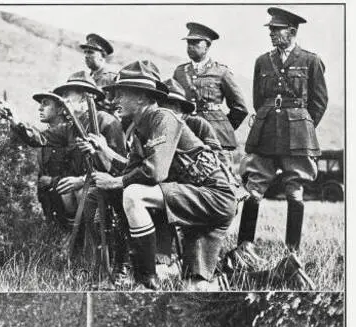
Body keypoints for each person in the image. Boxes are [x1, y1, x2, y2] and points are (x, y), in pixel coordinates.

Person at [89, 60, 238, 290]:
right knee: (194, 289)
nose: (114, 100)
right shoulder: (142, 128)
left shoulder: (163, 118)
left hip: (213, 198)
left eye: (121, 94)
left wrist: (116, 181)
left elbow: (155, 172)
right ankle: (282, 272)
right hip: (193, 202)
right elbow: (131, 171)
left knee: (134, 195)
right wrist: (104, 154)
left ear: (141, 97)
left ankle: (146, 281)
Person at [236, 7, 328, 256]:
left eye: (277, 30)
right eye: (271, 30)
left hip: (297, 135)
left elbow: (319, 103)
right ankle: (245, 247)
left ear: (292, 31)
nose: (272, 34)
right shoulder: (262, 61)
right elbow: (258, 100)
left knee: (295, 188)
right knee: (254, 186)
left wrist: (302, 127)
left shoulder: (311, 61)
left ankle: (292, 252)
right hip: (265, 131)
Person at [1, 90, 85, 228]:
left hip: (73, 205)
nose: (40, 108)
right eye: (40, 104)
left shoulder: (70, 132)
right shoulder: (48, 135)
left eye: (46, 104)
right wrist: (12, 120)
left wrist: (52, 181)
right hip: (53, 204)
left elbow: (77, 173)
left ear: (60, 109)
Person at [172, 22, 249, 164]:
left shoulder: (221, 72)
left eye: (195, 43)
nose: (190, 46)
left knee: (222, 177)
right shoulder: (180, 72)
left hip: (216, 138)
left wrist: (223, 127)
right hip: (187, 134)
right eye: (188, 43)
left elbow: (240, 107)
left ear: (207, 46)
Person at [80, 33, 118, 110]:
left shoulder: (111, 78)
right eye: (85, 52)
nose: (86, 56)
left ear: (102, 55)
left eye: (90, 52)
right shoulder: (87, 78)